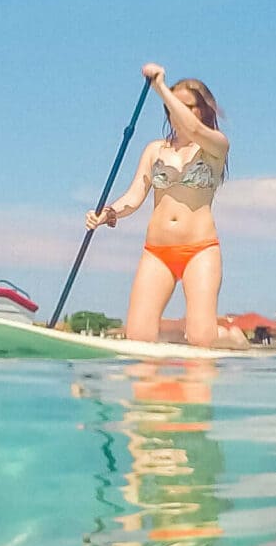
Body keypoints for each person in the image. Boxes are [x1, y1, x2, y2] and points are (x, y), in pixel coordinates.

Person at [85, 64, 229, 347]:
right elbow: (134, 196)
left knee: (202, 339)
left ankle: (229, 337)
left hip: (200, 250)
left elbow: (195, 130)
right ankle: (182, 334)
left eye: (188, 107)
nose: (178, 113)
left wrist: (160, 88)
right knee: (138, 338)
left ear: (203, 110)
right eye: (172, 107)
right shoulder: (155, 150)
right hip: (157, 252)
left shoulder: (215, 145)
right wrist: (107, 213)